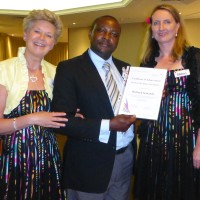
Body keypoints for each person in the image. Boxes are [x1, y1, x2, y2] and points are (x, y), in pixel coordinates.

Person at [52, 15, 136, 200]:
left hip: (124, 159)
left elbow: (134, 109)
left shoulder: (126, 69)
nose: (107, 37)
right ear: (91, 32)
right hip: (88, 164)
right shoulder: (69, 68)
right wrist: (108, 125)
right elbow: (61, 121)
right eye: (102, 30)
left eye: (114, 34)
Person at [133, 4, 200, 200]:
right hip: (153, 137)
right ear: (151, 30)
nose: (161, 27)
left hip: (186, 138)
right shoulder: (147, 62)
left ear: (177, 27)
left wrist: (199, 145)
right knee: (154, 186)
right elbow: (139, 106)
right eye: (156, 23)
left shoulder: (193, 57)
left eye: (167, 22)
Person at [0, 9, 68, 199]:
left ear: (53, 43)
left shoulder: (57, 73)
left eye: (49, 35)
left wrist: (73, 114)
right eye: (37, 31)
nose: (42, 38)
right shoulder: (4, 70)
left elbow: (61, 113)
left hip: (49, 156)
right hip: (15, 157)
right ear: (25, 34)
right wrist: (32, 118)